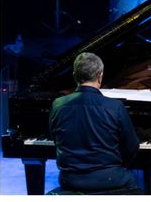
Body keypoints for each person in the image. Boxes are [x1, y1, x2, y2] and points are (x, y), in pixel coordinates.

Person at [49, 52, 140, 193]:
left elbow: (57, 140)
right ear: (100, 76)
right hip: (109, 178)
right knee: (133, 179)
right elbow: (132, 146)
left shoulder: (58, 104)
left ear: (74, 75)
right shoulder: (115, 106)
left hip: (70, 179)